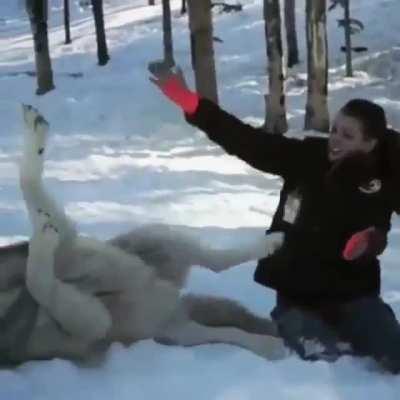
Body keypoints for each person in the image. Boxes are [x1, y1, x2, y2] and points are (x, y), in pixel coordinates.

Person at [150, 66, 400, 372]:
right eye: (335, 130)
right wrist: (193, 105)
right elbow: (248, 142)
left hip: (355, 297)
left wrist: (370, 241)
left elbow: (381, 229)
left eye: (347, 135)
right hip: (298, 297)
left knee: (393, 350)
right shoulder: (306, 158)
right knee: (323, 359)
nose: (335, 140)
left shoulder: (384, 181)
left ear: (370, 143)